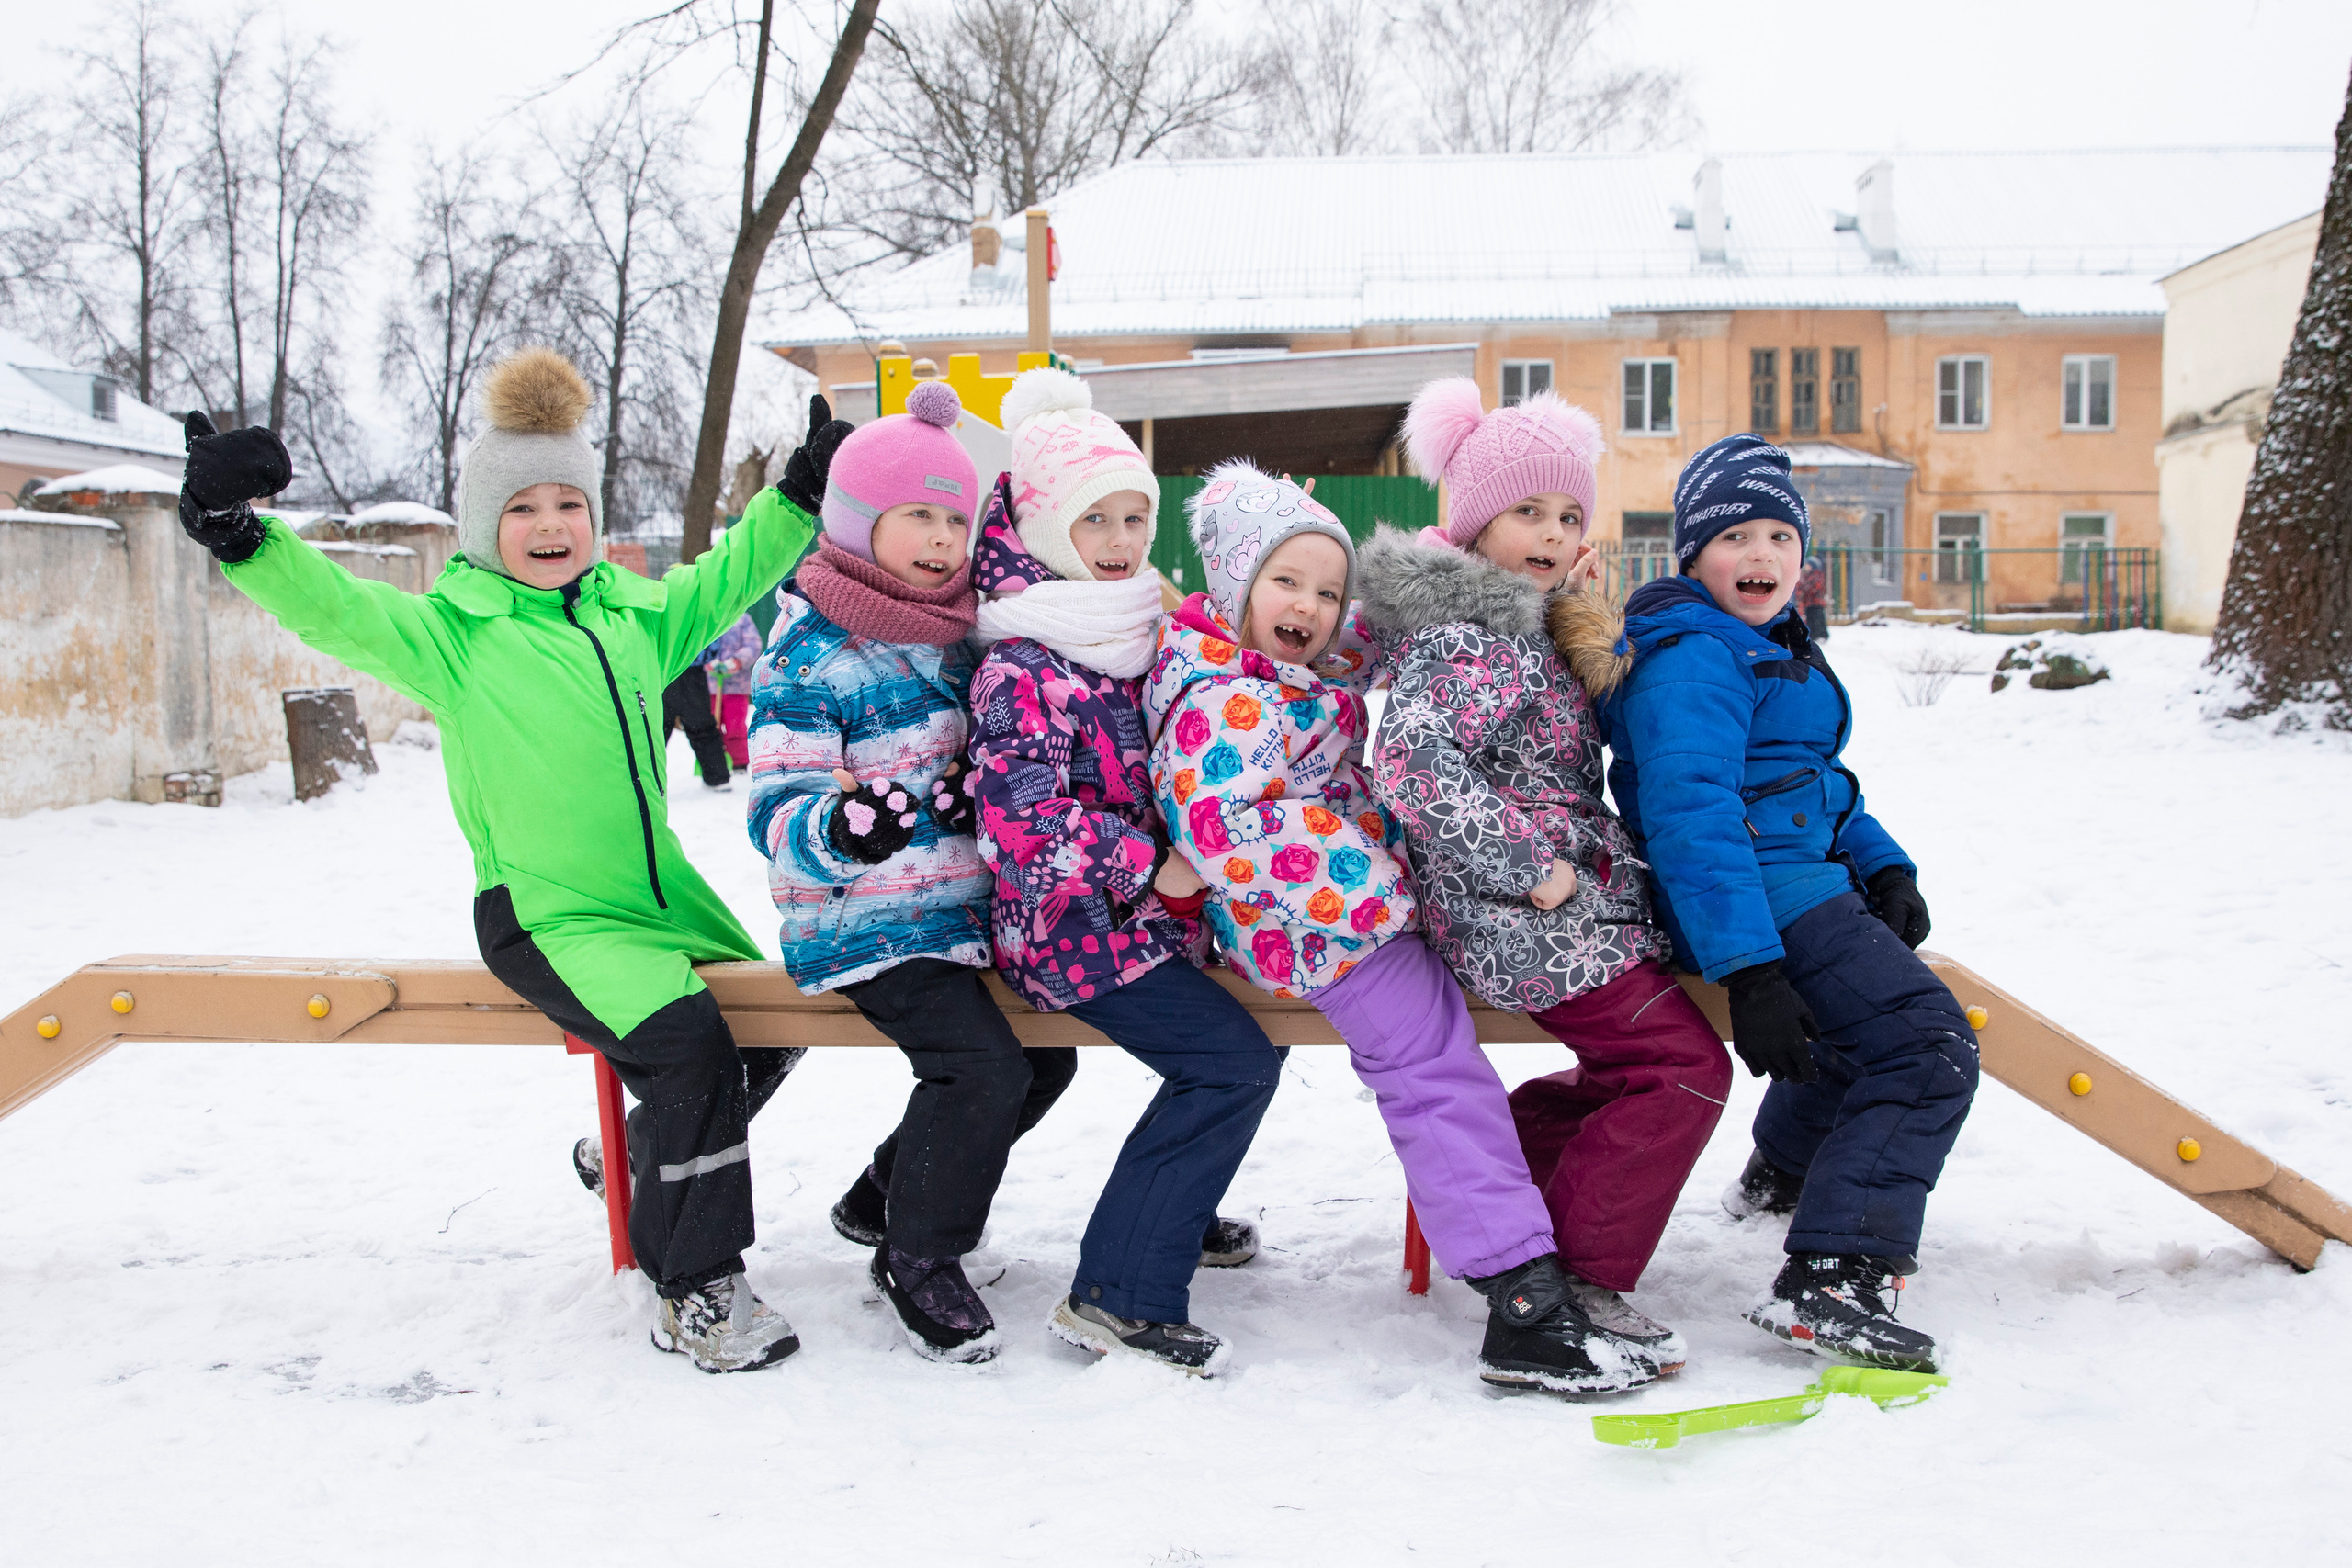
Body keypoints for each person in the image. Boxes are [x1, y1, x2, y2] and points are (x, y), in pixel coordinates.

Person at [177, 346, 826, 1373]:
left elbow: (730, 575)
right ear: (485, 527)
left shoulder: (637, 618)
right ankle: (696, 1286)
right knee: (693, 1052)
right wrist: (236, 532)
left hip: (663, 906)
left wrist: (797, 497)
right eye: (523, 508)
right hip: (551, 916)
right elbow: (335, 606)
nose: (552, 525)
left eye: (570, 502)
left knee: (780, 1028)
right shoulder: (454, 636)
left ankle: (630, 1158)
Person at [1143, 462, 1659, 1395]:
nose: (1311, 605)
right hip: (1326, 930)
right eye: (1285, 582)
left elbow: (1372, 650)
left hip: (1354, 919)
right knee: (1433, 1079)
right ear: (1234, 587)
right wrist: (1369, 882)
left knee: (1445, 1073)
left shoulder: (1275, 668)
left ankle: (1529, 1276)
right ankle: (1523, 1307)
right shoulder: (1222, 697)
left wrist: (1481, 576)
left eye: (1328, 589)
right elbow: (1226, 826)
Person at [1358, 378, 1732, 1370]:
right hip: (1522, 916)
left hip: (1560, 913)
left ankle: (1509, 1174)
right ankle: (1584, 1276)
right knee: (1682, 1071)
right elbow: (1410, 764)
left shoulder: (1524, 630)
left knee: (1639, 1068)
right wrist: (1534, 870)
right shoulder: (1465, 638)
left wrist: (1582, 616)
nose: (1551, 530)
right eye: (1526, 511)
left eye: (1568, 514)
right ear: (1475, 525)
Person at [1588, 433, 1977, 1372]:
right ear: (1691, 556)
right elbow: (1692, 816)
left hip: (1789, 884)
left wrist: (1884, 867)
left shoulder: (1760, 647)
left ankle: (1786, 1177)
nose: (1758, 556)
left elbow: (1806, 781)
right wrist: (1751, 970)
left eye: (1777, 538)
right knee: (1928, 1047)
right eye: (1733, 539)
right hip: (1748, 901)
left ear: (1802, 560)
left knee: (1866, 1038)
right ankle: (1836, 1272)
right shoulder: (1690, 658)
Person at [948, 367, 1282, 1376]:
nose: (1122, 542)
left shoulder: (1134, 626)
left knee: (1236, 1045)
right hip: (1066, 930)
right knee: (1228, 1063)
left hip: (1144, 921)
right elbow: (1021, 829)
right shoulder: (1024, 661)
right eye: (1097, 521)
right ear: (1049, 527)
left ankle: (1169, 1212)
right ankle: (1119, 1293)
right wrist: (1152, 871)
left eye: (1136, 517)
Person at [746, 379, 1070, 1365]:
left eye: (951, 517)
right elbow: (774, 812)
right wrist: (843, 828)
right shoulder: (809, 654)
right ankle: (917, 1255)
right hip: (861, 916)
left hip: (953, 912)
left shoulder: (956, 634)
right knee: (981, 1066)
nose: (940, 538)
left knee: (1045, 1057)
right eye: (915, 517)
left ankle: (881, 1194)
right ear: (855, 524)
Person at [704, 612, 764, 772]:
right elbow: (697, 644)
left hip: (736, 686)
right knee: (710, 725)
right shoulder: (708, 617)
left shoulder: (742, 618)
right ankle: (713, 761)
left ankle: (738, 761)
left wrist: (737, 660)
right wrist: (708, 660)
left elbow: (753, 643)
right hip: (710, 685)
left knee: (735, 725)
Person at [1796, 557, 1831, 643]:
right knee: (1810, 619)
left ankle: (1822, 635)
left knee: (1818, 619)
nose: (1807, 567)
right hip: (1808, 602)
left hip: (1817, 602)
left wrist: (1807, 591)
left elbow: (1816, 587)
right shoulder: (1804, 576)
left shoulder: (1817, 575)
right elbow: (1800, 586)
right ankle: (1813, 635)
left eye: (1809, 566)